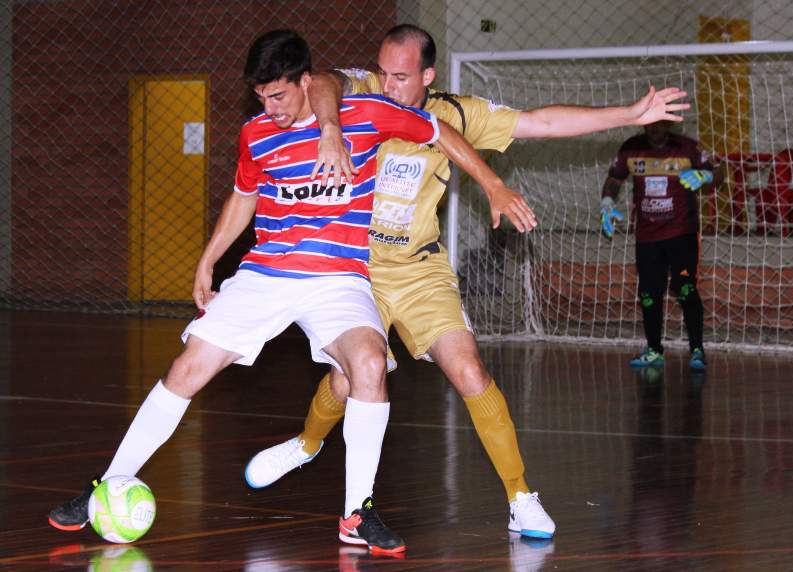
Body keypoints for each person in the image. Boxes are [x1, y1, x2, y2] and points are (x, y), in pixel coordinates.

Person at [47, 28, 532, 555]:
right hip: (267, 274)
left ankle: (357, 513)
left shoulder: (366, 114)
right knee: (187, 367)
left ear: (305, 83)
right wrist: (207, 260)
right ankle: (107, 482)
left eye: (278, 94)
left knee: (368, 364)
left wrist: (493, 184)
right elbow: (242, 198)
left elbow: (441, 133)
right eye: (260, 97)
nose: (269, 107)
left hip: (338, 277)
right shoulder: (256, 134)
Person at [243, 24, 690, 540]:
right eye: (383, 73)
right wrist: (328, 127)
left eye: (402, 77)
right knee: (349, 382)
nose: (389, 86)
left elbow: (540, 122)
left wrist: (630, 114)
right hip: (355, 268)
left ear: (428, 75)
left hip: (419, 269)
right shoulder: (362, 92)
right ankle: (306, 444)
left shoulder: (456, 113)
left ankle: (521, 498)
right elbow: (319, 79)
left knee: (470, 370)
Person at [600, 120, 722, 371]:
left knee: (685, 288)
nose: (654, 129)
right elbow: (614, 179)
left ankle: (697, 349)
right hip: (647, 237)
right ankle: (654, 349)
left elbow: (718, 174)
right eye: (649, 124)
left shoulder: (687, 147)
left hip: (681, 234)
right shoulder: (631, 149)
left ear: (667, 124)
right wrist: (606, 203)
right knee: (648, 294)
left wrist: (706, 175)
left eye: (659, 124)